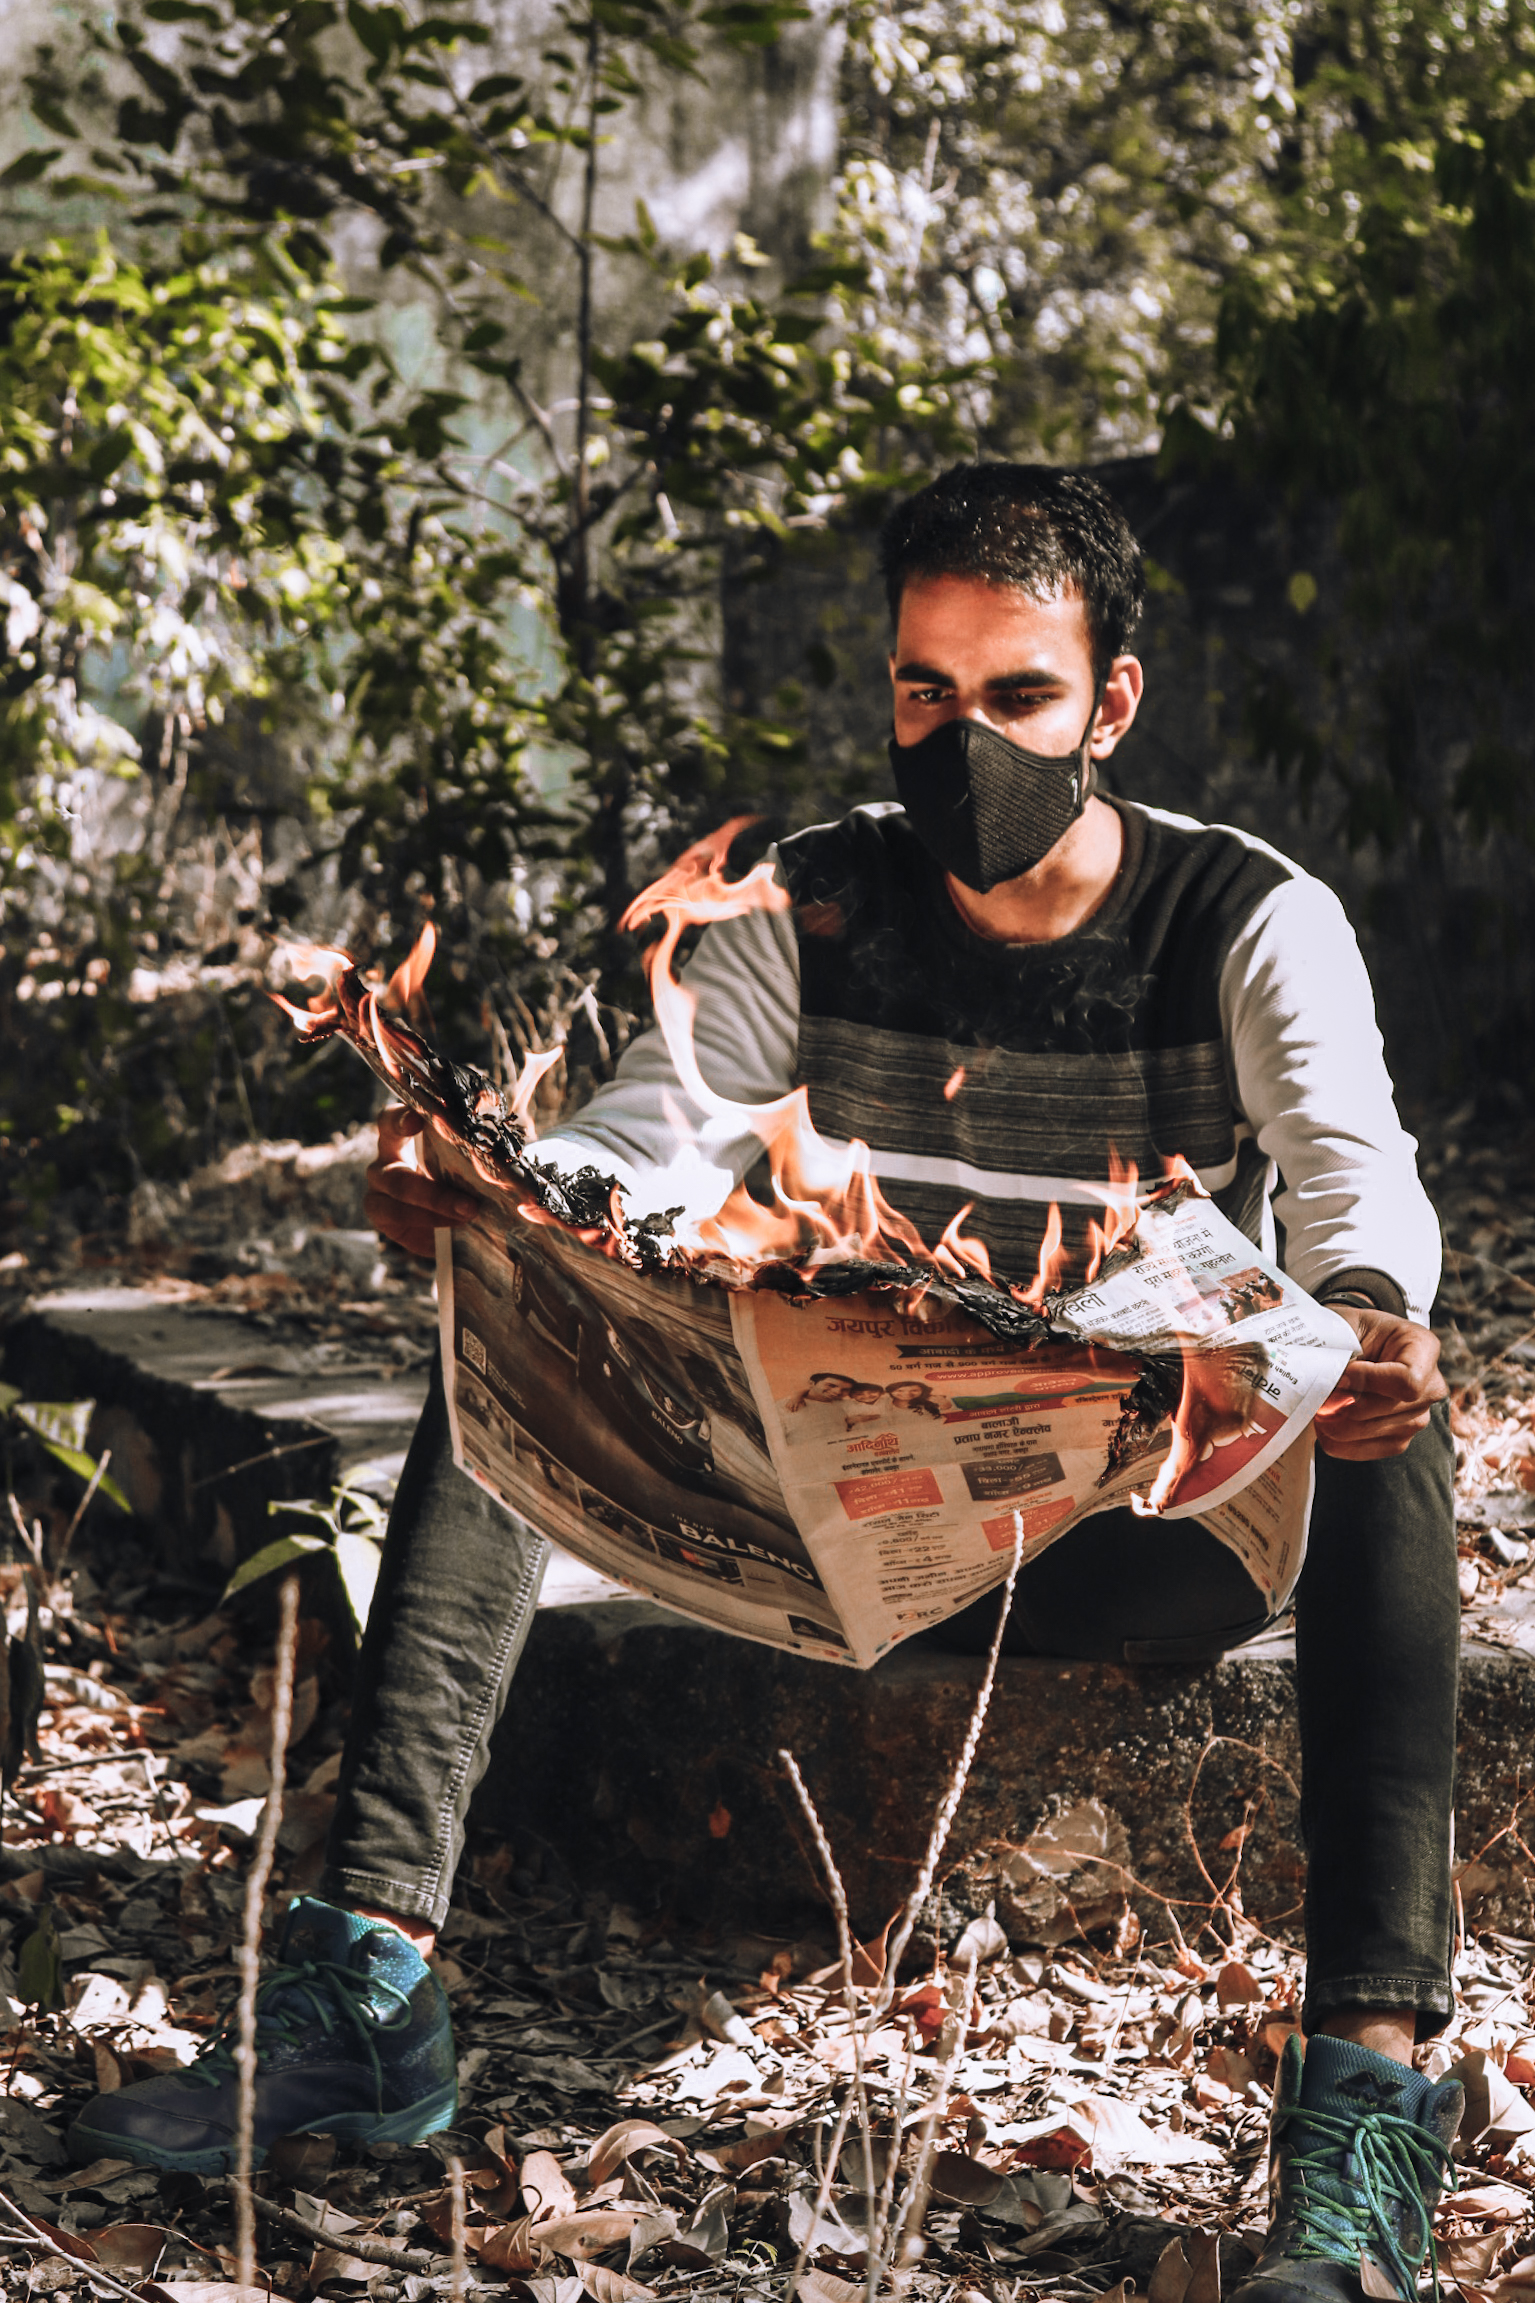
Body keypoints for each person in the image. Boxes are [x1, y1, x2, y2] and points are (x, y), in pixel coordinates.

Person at [69, 465, 1463, 2303]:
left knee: (1383, 1416)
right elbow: (654, 1142)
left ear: (1112, 704)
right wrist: (508, 1198)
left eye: (1020, 696)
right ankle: (367, 1984)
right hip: (828, 1517)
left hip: (1130, 1524)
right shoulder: (800, 901)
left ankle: (1364, 2118)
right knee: (524, 1294)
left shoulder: (1246, 921)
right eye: (923, 692)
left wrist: (1363, 1314)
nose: (966, 740)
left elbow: (1362, 1188)